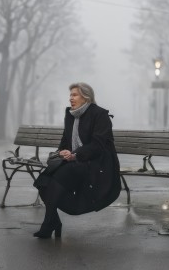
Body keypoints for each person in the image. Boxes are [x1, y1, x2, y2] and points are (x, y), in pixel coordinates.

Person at [32, 82, 121, 238]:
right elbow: (65, 141)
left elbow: (98, 145)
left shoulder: (100, 115)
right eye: (70, 95)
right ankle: (54, 221)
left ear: (86, 97)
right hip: (75, 161)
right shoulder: (71, 115)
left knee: (59, 177)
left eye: (74, 95)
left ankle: (48, 223)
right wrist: (62, 152)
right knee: (43, 182)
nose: (70, 98)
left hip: (94, 163)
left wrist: (76, 155)